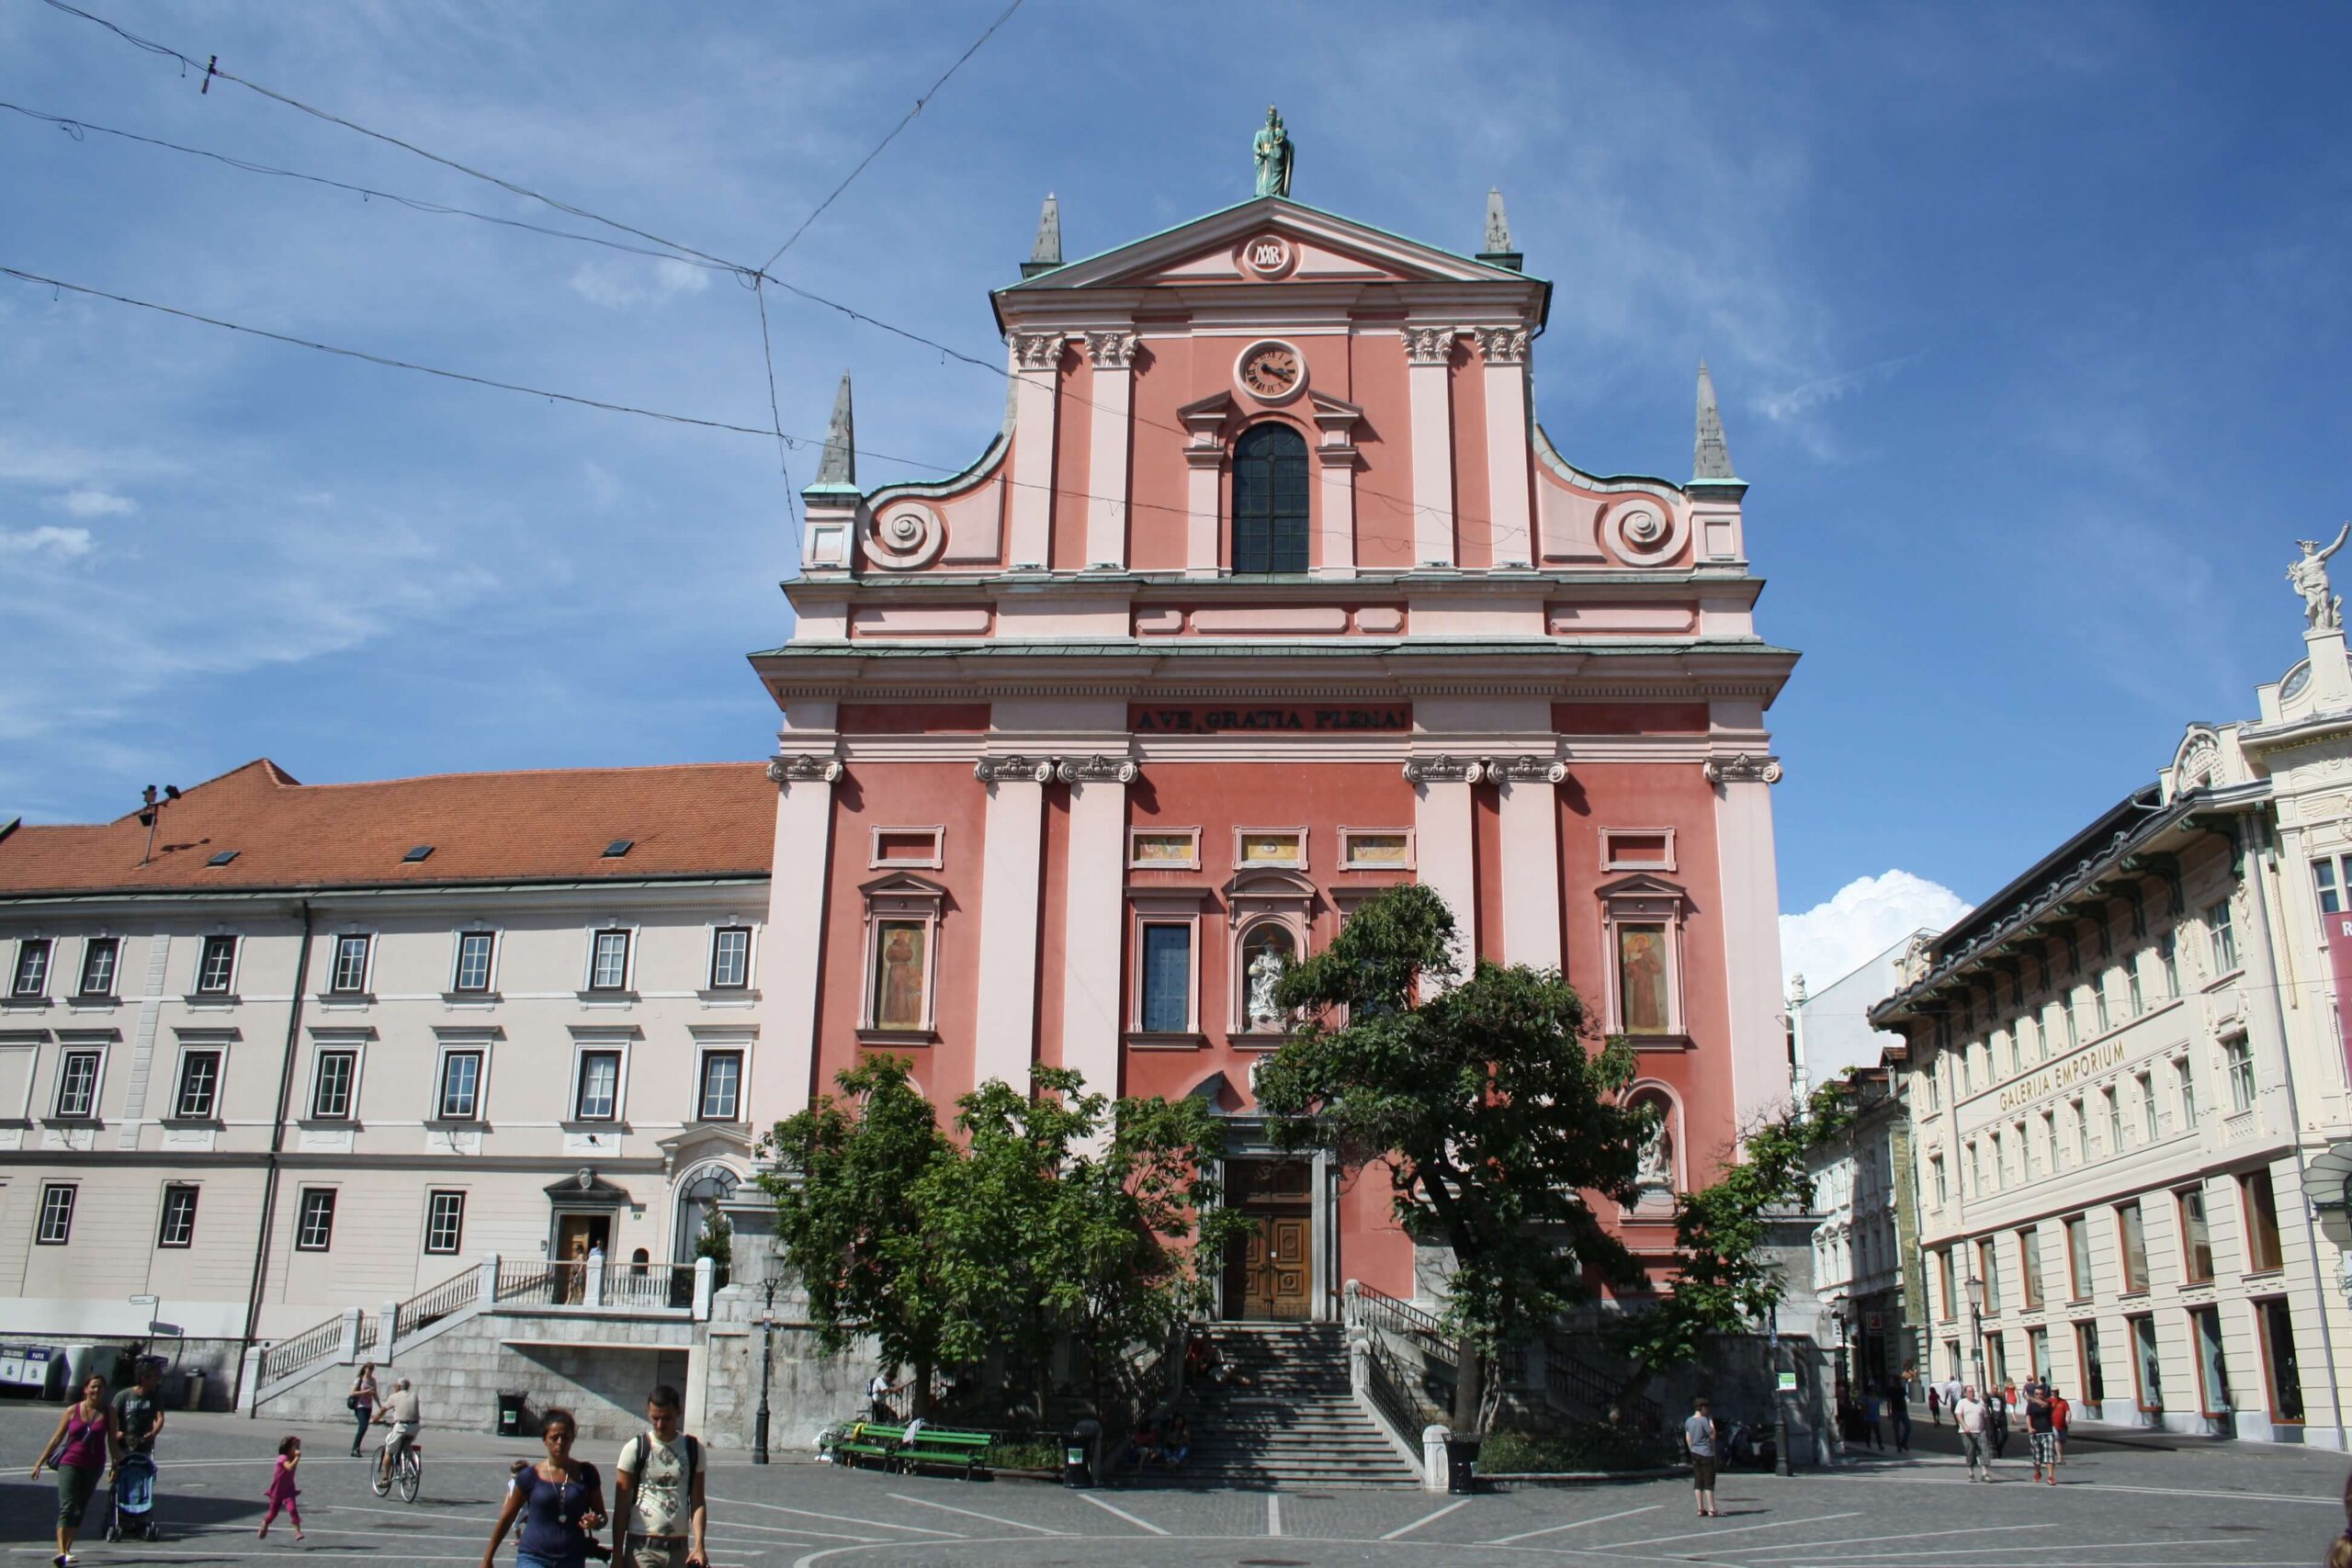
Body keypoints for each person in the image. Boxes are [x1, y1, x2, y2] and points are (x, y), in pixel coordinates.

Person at [481, 1407, 607, 1568]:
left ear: (572, 1439)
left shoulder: (586, 1473)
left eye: (565, 1437)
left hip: (572, 1559)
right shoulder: (529, 1476)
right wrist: (488, 1558)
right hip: (534, 1557)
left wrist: (595, 1521)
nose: (560, 1443)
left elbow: (602, 1516)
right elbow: (507, 1517)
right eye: (554, 1438)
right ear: (545, 1440)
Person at [615, 1384, 707, 1568]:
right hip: (642, 1546)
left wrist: (699, 1545)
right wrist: (617, 1554)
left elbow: (698, 1501)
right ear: (648, 1412)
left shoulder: (693, 1449)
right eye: (654, 1418)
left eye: (666, 1418)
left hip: (679, 1548)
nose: (660, 1425)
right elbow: (621, 1505)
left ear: (678, 1413)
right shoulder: (635, 1448)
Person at [32, 1373, 110, 1567]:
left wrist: (117, 1465)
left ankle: (67, 1549)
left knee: (79, 1508)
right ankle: (60, 1552)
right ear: (85, 1389)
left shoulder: (109, 1412)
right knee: (67, 1506)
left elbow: (113, 1443)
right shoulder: (72, 1410)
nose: (96, 1390)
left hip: (94, 1465)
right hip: (70, 1463)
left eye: (100, 1387)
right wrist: (39, 1462)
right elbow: (57, 1438)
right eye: (93, 1386)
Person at [110, 1357, 167, 1464]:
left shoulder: (155, 1397)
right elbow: (111, 1416)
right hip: (124, 1444)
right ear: (144, 1378)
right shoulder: (124, 1395)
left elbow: (160, 1418)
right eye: (154, 1377)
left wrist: (153, 1433)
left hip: (144, 1445)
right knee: (122, 1474)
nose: (157, 1380)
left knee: (142, 1474)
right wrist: (116, 1432)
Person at [373, 1375, 423, 1487]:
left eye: (395, 1385)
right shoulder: (414, 1395)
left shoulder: (394, 1397)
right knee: (407, 1444)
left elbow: (383, 1410)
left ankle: (385, 1478)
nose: (394, 1387)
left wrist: (375, 1419)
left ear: (399, 1387)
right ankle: (414, 1467)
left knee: (389, 1450)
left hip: (401, 1427)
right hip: (415, 1427)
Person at [258, 1436, 305, 1541]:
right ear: (288, 1448)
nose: (298, 1449)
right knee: (272, 1514)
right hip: (277, 1491)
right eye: (296, 1446)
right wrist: (297, 1458)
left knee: (293, 1509)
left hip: (288, 1490)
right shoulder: (282, 1458)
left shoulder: (293, 1458)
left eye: (299, 1446)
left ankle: (297, 1531)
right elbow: (289, 1468)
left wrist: (296, 1457)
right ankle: (265, 1523)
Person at [1684, 1396, 1719, 1517]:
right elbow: (1713, 1436)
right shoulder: (1704, 1420)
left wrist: (1692, 1450)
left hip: (1694, 1453)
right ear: (1702, 1408)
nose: (1707, 1410)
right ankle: (1711, 1508)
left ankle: (1700, 1508)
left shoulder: (1688, 1421)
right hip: (1706, 1453)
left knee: (1698, 1481)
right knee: (1709, 1482)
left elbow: (1688, 1438)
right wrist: (1711, 1424)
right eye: (1706, 1407)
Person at [1952, 1384, 1989, 1482]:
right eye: (1969, 1391)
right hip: (1967, 1433)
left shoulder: (1979, 1403)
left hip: (1980, 1431)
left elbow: (1984, 1417)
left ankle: (1985, 1473)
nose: (1972, 1393)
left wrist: (1986, 1429)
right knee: (1970, 1452)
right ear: (1965, 1393)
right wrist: (1964, 1426)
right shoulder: (1962, 1402)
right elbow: (1958, 1415)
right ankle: (1971, 1473)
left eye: (1972, 1391)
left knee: (1984, 1451)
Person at [2025, 1381, 2057, 1484]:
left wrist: (2032, 1398)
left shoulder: (2048, 1402)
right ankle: (2037, 1472)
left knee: (2049, 1454)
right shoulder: (2031, 1405)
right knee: (2037, 1456)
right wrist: (2029, 1427)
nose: (2039, 1395)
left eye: (2041, 1394)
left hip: (2047, 1432)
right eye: (2037, 1394)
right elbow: (2028, 1416)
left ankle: (2050, 1476)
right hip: (2035, 1433)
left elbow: (2045, 1405)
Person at [348, 1361, 380, 1458]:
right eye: (369, 1368)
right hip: (360, 1406)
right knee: (363, 1426)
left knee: (364, 1427)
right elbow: (352, 1393)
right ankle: (355, 1448)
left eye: (372, 1369)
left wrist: (380, 1405)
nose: (371, 1371)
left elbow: (375, 1394)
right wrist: (366, 1391)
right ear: (365, 1368)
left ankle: (356, 1447)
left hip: (368, 1406)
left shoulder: (373, 1381)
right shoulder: (360, 1379)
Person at [1887, 1373, 1912, 1453]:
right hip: (1895, 1411)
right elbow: (1889, 1402)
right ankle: (1899, 1446)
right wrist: (1889, 1412)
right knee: (1896, 1430)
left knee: (1908, 1427)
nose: (1898, 1381)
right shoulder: (1891, 1390)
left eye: (1899, 1380)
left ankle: (1903, 1443)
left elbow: (1904, 1400)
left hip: (1902, 1411)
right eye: (1897, 1380)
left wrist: (1906, 1410)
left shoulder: (1902, 1389)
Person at [1984, 1382, 2010, 1459]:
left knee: (2005, 1435)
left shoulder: (2000, 1397)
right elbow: (1985, 1403)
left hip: (2002, 1418)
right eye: (1995, 1389)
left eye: (1997, 1389)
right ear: (1991, 1389)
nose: (1996, 1390)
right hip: (1993, 1419)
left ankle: (1999, 1447)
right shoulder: (1988, 1397)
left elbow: (2004, 1405)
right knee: (1994, 1436)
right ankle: (1996, 1453)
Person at [2050, 1385, 2071, 1467]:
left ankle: (2061, 1455)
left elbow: (2068, 1411)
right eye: (2054, 1391)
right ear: (2051, 1392)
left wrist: (2068, 1418)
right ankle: (2059, 1458)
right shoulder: (2048, 1401)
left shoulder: (2063, 1401)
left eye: (2057, 1391)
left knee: (2062, 1441)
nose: (2056, 1393)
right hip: (2053, 1424)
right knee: (2057, 1439)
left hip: (2063, 1424)